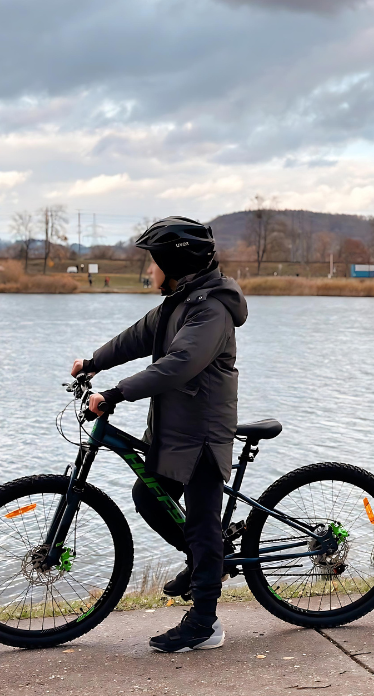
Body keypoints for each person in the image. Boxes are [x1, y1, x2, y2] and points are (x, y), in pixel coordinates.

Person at [71, 216, 248, 652]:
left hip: (203, 433)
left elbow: (179, 364)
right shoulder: (180, 301)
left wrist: (116, 393)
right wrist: (94, 362)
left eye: (153, 262)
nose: (149, 271)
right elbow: (138, 337)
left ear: (174, 262)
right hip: (176, 430)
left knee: (203, 526)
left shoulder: (211, 309)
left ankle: (205, 624)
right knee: (149, 496)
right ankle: (210, 561)